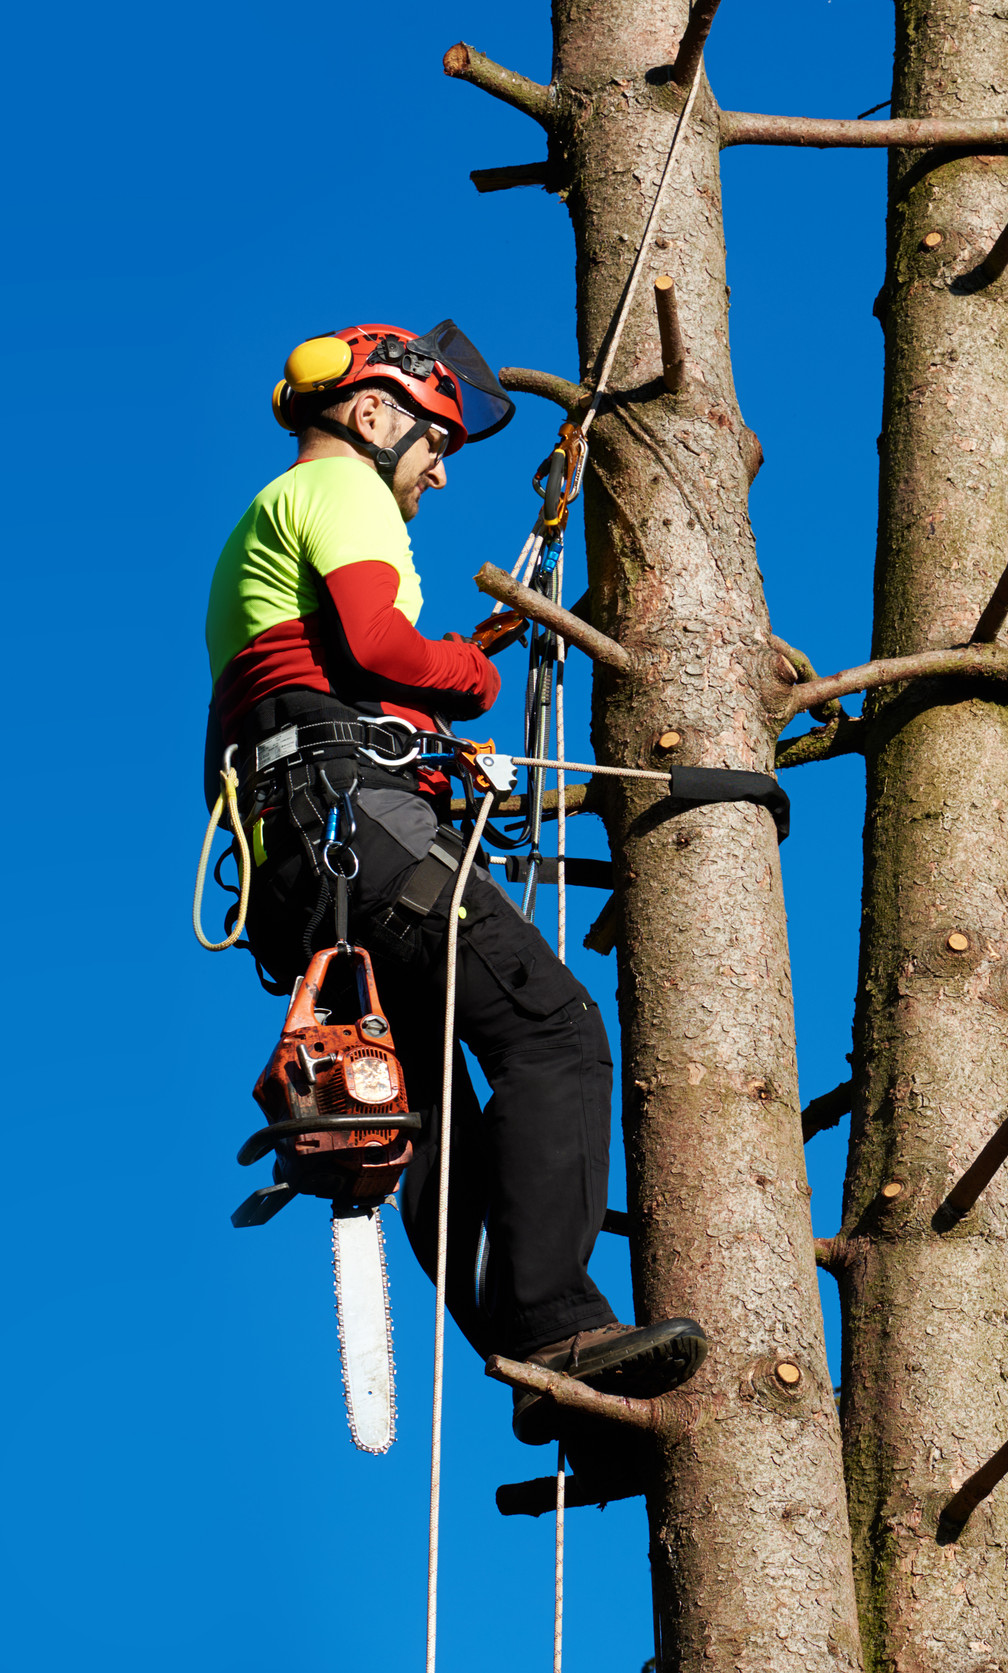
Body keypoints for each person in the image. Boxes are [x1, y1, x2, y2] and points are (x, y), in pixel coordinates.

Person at [204, 321, 706, 1444]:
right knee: (552, 1031)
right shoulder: (339, 493)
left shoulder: (261, 536)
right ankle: (558, 1327)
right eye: (433, 438)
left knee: (433, 1114)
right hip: (361, 838)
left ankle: (548, 1376)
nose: (441, 466)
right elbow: (382, 647)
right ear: (372, 415)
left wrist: (430, 709)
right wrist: (471, 674)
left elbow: (330, 680)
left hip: (301, 866)